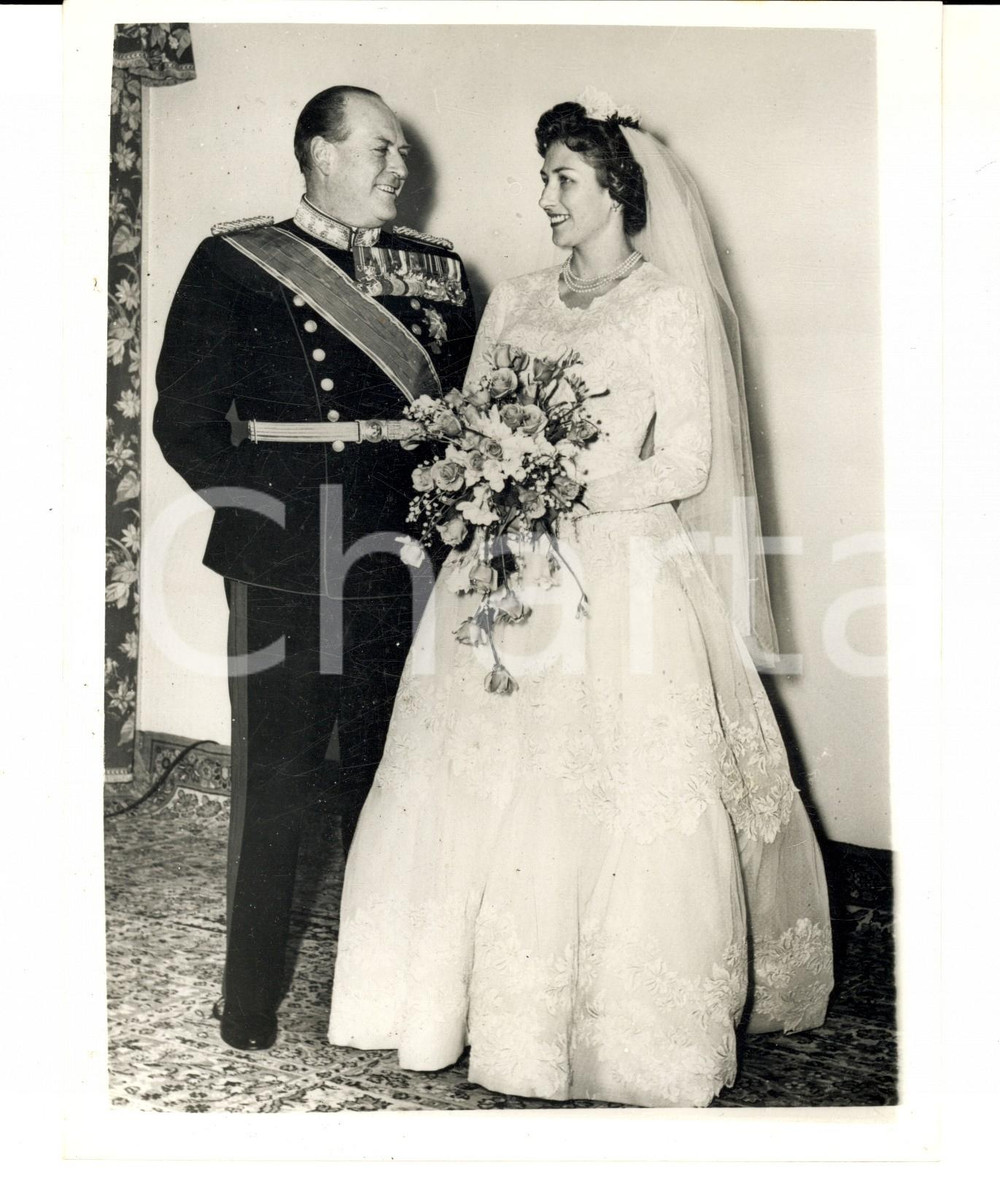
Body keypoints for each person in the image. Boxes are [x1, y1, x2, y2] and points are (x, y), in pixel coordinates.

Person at [326, 94, 835, 1109]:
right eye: (542, 177)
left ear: (615, 190)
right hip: (501, 572)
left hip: (617, 573)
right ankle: (443, 1003)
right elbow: (470, 422)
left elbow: (686, 459)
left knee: (609, 790)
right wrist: (490, 476)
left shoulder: (664, 307)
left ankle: (610, 1031)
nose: (545, 198)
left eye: (563, 178)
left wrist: (558, 485)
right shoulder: (512, 297)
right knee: (469, 770)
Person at [153, 85, 476, 1053]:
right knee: (275, 782)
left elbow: (463, 409)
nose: (397, 170)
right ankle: (248, 1004)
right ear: (318, 154)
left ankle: (384, 1005)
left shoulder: (440, 277)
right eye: (379, 149)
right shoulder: (235, 262)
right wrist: (264, 523)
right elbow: (185, 420)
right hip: (286, 562)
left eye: (404, 155)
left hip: (396, 560)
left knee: (391, 779)